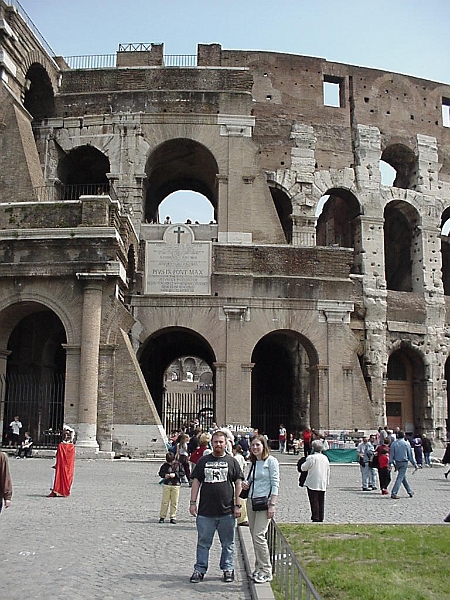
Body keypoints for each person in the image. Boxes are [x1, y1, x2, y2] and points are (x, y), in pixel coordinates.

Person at [189, 430, 244, 584]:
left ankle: (228, 568)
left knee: (228, 543)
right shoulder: (203, 461)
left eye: (221, 442)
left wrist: (238, 505)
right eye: (216, 442)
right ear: (211, 443)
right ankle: (199, 569)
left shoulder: (232, 462)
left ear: (226, 443)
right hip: (206, 511)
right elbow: (196, 482)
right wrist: (193, 502)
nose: (218, 444)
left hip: (226, 511)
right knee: (203, 543)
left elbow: (238, 482)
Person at [241, 434, 280, 584]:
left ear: (264, 446)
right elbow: (250, 479)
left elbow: (275, 483)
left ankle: (266, 570)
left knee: (259, 535)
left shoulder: (271, 462)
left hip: (264, 503)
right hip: (251, 501)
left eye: (258, 445)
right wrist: (246, 484)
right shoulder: (254, 462)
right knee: (254, 536)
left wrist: (272, 504)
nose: (255, 447)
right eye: (253, 445)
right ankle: (258, 567)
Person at [301, 439, 330, 522]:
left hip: (313, 481)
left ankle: (315, 516)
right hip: (322, 481)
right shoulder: (325, 458)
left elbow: (303, 468)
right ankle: (321, 516)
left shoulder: (311, 458)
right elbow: (328, 470)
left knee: (314, 500)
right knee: (321, 500)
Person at [389, 430, 418, 499]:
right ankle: (394, 492)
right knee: (400, 478)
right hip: (404, 462)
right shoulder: (406, 444)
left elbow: (391, 455)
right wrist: (415, 464)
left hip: (397, 462)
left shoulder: (393, 444)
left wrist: (390, 463)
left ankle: (409, 491)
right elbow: (410, 455)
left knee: (403, 477)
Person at [48, 425, 75, 497]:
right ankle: (63, 491)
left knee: (55, 476)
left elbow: (59, 456)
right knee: (66, 476)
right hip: (68, 466)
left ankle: (56, 491)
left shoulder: (61, 445)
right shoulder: (71, 446)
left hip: (60, 465)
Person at [158, 452, 182, 524]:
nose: (170, 464)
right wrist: (165, 475)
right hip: (167, 484)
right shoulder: (164, 465)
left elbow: (182, 473)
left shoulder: (178, 465)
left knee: (174, 502)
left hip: (176, 484)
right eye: (169, 462)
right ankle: (162, 516)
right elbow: (160, 473)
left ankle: (173, 517)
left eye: (171, 462)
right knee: (165, 502)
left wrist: (175, 475)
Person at [232, 444, 249, 526]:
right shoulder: (241, 457)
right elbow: (245, 465)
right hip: (242, 477)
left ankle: (242, 518)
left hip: (237, 479)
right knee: (241, 498)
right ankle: (242, 517)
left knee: (238, 497)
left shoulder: (235, 458)